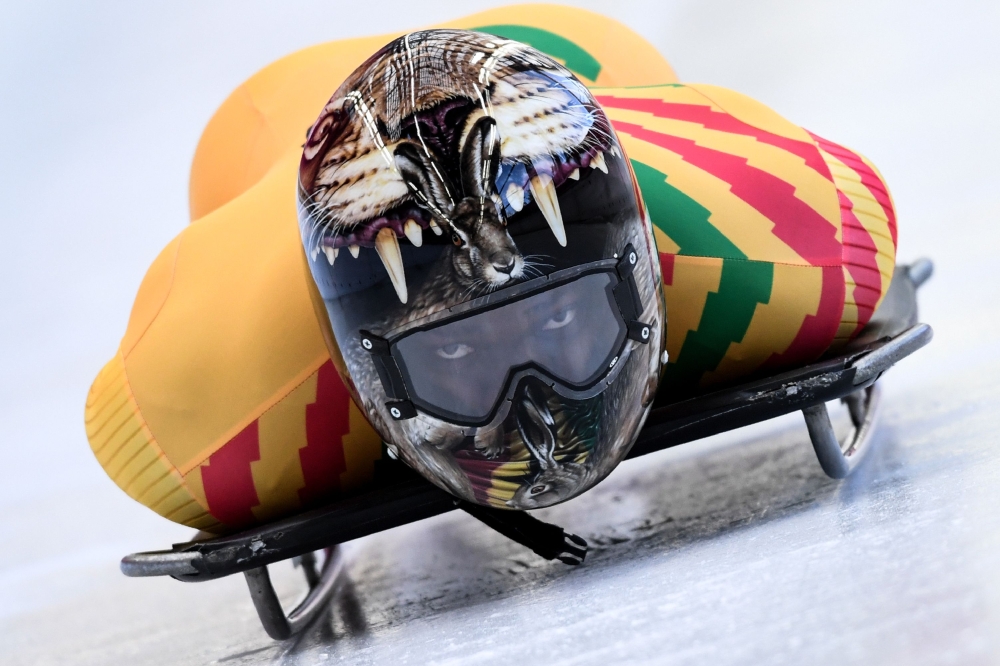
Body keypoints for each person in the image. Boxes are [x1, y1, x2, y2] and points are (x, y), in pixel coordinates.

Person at [85, 6, 896, 532]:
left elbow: (128, 442)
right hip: (274, 131)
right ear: (352, 355)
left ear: (643, 269)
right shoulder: (214, 387)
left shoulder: (769, 244)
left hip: (579, 59)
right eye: (459, 356)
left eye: (559, 321)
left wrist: (457, 358)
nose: (535, 414)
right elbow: (864, 210)